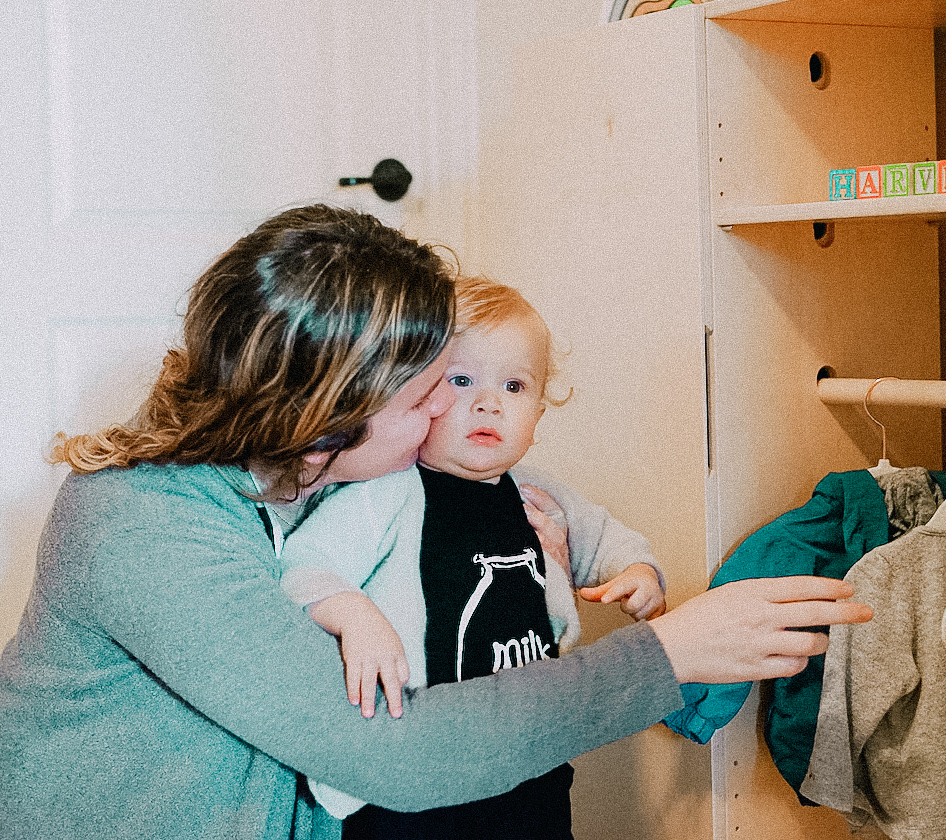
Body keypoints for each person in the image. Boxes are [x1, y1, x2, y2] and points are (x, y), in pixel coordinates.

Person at [0, 204, 872, 840]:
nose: (448, 420)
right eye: (429, 395)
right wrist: (670, 655)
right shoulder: (140, 519)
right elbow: (401, 752)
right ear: (333, 411)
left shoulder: (323, 479)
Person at [277, 275, 667, 838]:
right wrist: (351, 612)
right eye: (461, 381)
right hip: (422, 779)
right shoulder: (387, 491)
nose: (488, 402)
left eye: (515, 386)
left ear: (540, 408)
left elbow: (604, 538)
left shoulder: (534, 492)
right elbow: (304, 566)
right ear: (421, 395)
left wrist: (637, 571)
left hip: (531, 759)